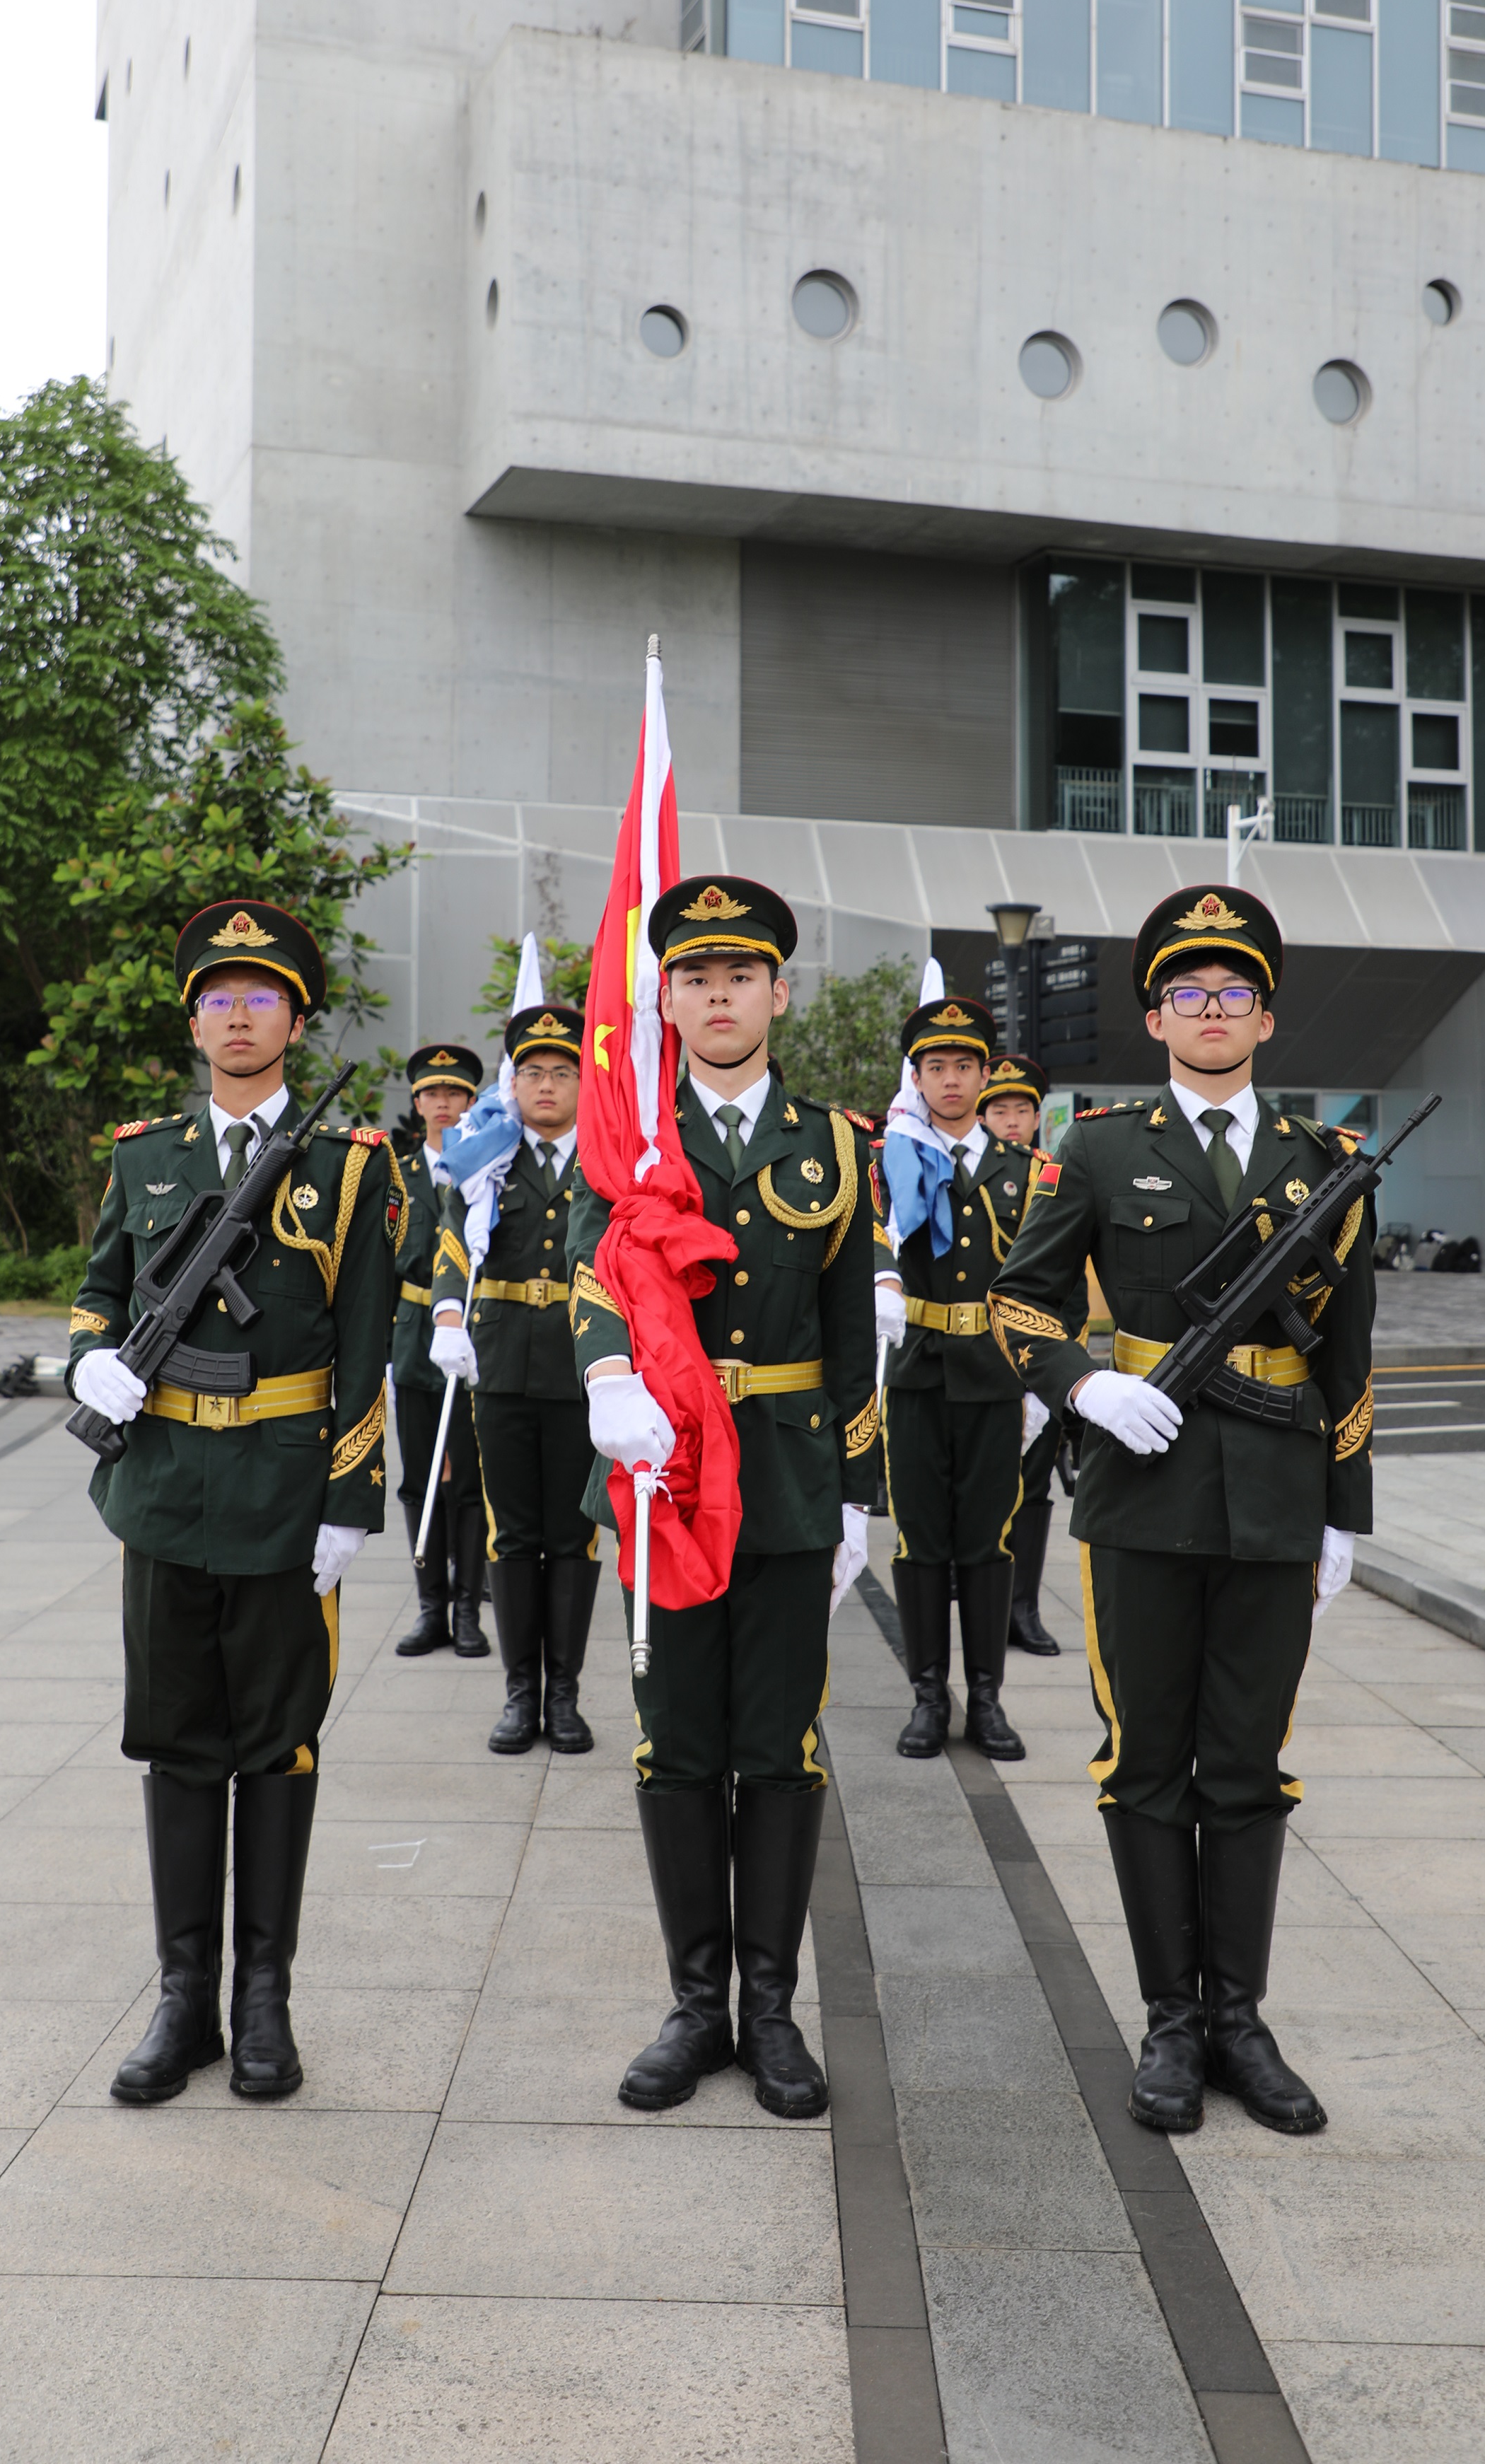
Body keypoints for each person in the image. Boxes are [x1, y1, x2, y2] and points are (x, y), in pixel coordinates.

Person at [989, 885, 1374, 2140]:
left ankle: (1237, 2017)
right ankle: (1168, 2017)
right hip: (1142, 1494)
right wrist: (1087, 1385)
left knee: (1248, 1763)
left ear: (1263, 1016)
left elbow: (1351, 1355)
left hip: (1274, 1493)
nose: (1210, 1013)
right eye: (1186, 993)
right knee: (1143, 1759)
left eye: (1234, 994)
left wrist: (1342, 1514)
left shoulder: (1325, 1166)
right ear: (1155, 1014)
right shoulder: (1096, 1145)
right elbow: (1019, 1303)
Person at [66, 898, 396, 2105]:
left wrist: (351, 1497)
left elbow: (368, 1344)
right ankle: (182, 2002)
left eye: (263, 994)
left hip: (279, 1497)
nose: (239, 1013)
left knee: (276, 1743)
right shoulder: (144, 1157)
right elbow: (101, 1293)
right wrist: (90, 1360)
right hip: (160, 1493)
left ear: (297, 1020)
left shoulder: (351, 1169)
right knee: (174, 1741)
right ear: (192, 1016)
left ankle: (265, 2003)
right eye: (219, 994)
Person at [569, 877, 878, 2120]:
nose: (715, 995)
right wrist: (604, 1376)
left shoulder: (838, 1143)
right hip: (666, 1476)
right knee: (677, 1744)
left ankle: (770, 2009)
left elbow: (855, 1333)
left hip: (791, 1484)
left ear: (776, 993)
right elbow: (594, 1266)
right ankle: (694, 2007)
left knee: (781, 1746)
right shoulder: (632, 1136)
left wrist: (861, 1492)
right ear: (667, 997)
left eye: (738, 976)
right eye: (692, 977)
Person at [877, 998, 1049, 1763]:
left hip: (994, 1380)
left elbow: (1053, 1287)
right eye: (936, 1067)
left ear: (985, 1075)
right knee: (920, 1541)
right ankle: (925, 1695)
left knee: (986, 1541)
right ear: (915, 1076)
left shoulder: (1030, 1172)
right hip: (915, 1375)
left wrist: (1044, 1383)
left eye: (965, 1067)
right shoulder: (889, 1162)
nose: (951, 1080)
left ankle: (986, 1697)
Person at [431, 1004, 600, 1754]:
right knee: (513, 1535)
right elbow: (449, 1245)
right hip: (498, 1364)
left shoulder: (605, 1162)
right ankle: (518, 1692)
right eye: (532, 1072)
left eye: (562, 1073)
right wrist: (443, 1316)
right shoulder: (484, 1157)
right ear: (514, 1081)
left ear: (583, 1083)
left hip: (578, 1365)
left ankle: (563, 1695)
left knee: (572, 1538)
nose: (546, 1086)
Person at [390, 1042, 490, 1660]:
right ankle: (431, 1606)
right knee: (419, 1476)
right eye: (432, 1093)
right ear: (417, 1101)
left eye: (455, 1093)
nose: (444, 1103)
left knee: (470, 1480)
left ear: (474, 1102)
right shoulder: (392, 1174)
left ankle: (468, 1607)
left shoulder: (488, 1170)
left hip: (475, 1337)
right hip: (412, 1335)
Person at [978, 1053, 1069, 1656]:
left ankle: (1023, 1609)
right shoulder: (959, 1176)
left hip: (1036, 1362)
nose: (1012, 1121)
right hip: (974, 1361)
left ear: (1039, 1117)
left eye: (1022, 1110)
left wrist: (1056, 1371)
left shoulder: (1056, 1176)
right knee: (975, 1489)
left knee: (1033, 1492)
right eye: (1000, 1110)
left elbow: (1067, 1277)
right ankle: (979, 1606)